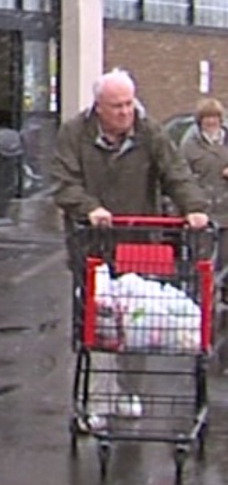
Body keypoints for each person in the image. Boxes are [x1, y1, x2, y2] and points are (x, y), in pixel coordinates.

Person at [50, 68, 209, 420]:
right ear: (99, 107)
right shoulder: (74, 134)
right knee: (100, 324)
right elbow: (63, 183)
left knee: (136, 322)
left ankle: (129, 389)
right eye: (117, 106)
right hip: (92, 243)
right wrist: (90, 208)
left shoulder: (149, 132)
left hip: (138, 241)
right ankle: (99, 399)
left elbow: (176, 172)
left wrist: (194, 208)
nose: (125, 112)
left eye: (128, 104)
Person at [180, 97, 228, 223]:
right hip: (202, 211)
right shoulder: (189, 146)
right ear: (200, 121)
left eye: (215, 117)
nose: (211, 122)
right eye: (207, 118)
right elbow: (182, 177)